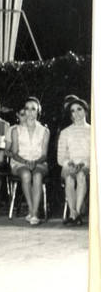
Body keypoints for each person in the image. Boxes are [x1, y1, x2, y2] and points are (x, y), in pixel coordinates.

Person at [5, 97, 51, 225]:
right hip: (19, 162)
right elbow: (14, 153)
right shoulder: (16, 130)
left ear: (38, 111)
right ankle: (31, 209)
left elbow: (44, 155)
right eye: (27, 109)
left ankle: (34, 213)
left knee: (36, 175)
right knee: (26, 174)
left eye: (33, 109)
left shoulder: (45, 131)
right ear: (24, 111)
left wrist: (35, 162)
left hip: (39, 162)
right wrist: (25, 162)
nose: (30, 112)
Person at [57, 97, 90, 226]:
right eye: (73, 111)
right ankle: (74, 214)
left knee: (81, 176)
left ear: (86, 111)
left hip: (86, 165)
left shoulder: (93, 130)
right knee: (69, 179)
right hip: (69, 165)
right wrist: (69, 163)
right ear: (70, 114)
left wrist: (83, 164)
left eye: (79, 109)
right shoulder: (65, 132)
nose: (76, 113)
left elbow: (95, 155)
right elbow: (60, 156)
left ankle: (74, 214)